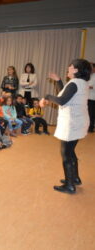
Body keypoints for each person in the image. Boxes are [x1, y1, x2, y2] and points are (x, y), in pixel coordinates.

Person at [41, 59, 92, 194]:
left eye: (70, 67)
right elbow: (65, 95)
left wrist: (47, 96)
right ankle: (74, 178)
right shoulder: (82, 83)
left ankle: (69, 185)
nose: (68, 68)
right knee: (71, 151)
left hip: (72, 123)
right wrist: (58, 81)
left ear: (76, 70)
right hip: (79, 121)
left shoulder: (74, 83)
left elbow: (62, 100)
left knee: (66, 154)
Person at [87, 63, 95, 133]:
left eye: (91, 67)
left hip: (93, 98)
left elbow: (92, 86)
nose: (90, 69)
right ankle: (88, 126)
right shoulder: (90, 75)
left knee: (91, 113)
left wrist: (86, 86)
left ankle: (91, 128)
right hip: (88, 97)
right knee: (88, 113)